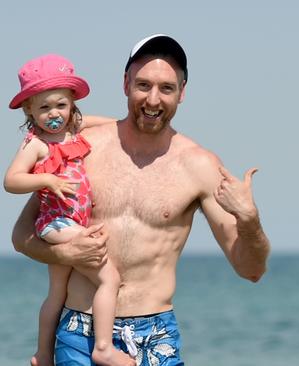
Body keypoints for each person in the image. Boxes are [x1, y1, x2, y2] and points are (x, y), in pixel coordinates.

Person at [12, 34, 270, 366]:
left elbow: (251, 270)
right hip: (80, 331)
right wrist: (64, 251)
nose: (153, 99)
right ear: (125, 84)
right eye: (143, 85)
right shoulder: (81, 148)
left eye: (166, 88)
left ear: (182, 92)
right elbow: (21, 236)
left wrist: (249, 220)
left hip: (155, 334)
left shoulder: (200, 166)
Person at [4, 55, 131, 366]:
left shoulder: (74, 128)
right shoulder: (36, 144)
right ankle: (103, 347)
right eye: (44, 108)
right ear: (29, 110)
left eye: (60, 105)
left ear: (73, 103)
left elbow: (110, 125)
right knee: (109, 278)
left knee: (56, 293)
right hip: (56, 222)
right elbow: (11, 180)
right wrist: (46, 178)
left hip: (70, 220)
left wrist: (127, 127)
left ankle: (43, 355)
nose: (54, 114)